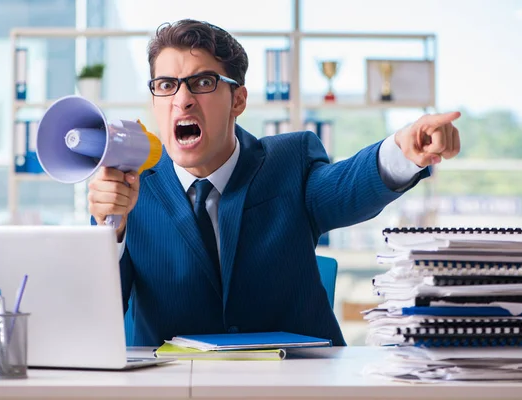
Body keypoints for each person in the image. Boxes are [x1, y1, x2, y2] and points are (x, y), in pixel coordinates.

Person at [88, 19, 461, 346]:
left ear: (238, 100)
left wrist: (402, 150)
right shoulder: (128, 189)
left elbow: (346, 186)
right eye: (166, 85)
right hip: (172, 388)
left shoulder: (289, 162)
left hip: (296, 383)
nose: (182, 100)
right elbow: (97, 312)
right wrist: (112, 229)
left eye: (202, 82)